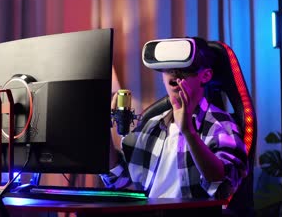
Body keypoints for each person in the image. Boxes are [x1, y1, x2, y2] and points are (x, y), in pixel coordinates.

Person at [102, 37, 248, 200]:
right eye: (168, 68)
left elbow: (222, 187)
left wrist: (189, 132)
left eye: (185, 68)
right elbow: (118, 180)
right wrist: (102, 129)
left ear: (205, 76)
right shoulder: (152, 125)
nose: (175, 73)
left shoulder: (221, 125)